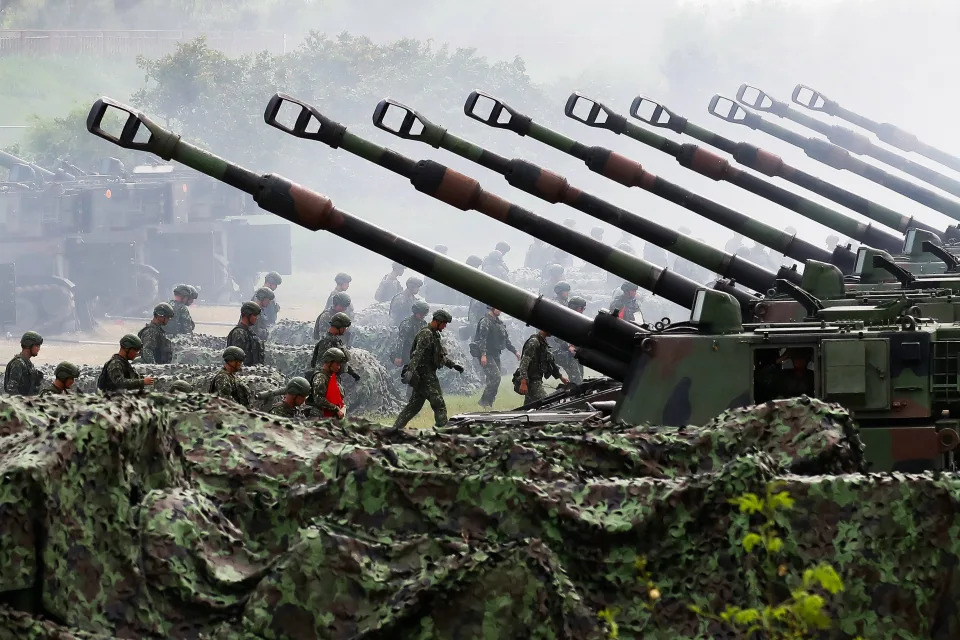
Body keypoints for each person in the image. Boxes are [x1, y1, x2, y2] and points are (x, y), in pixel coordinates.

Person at [392, 310, 464, 430]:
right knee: (438, 403)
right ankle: (443, 431)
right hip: (425, 375)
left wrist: (453, 365)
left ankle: (395, 429)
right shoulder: (426, 334)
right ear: (438, 321)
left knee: (414, 406)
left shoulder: (434, 334)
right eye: (444, 323)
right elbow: (417, 354)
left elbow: (438, 356)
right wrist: (410, 370)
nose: (445, 326)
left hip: (427, 374)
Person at [473, 306, 520, 408]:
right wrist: (483, 355)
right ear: (491, 308)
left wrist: (515, 351)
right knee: (495, 377)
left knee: (494, 380)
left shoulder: (499, 323)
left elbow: (506, 340)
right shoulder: (485, 321)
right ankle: (484, 402)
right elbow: (482, 339)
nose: (500, 310)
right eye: (498, 308)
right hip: (486, 354)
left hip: (495, 354)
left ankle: (489, 403)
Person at [515, 329, 567, 403]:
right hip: (532, 381)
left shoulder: (543, 343)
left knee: (529, 405)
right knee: (546, 402)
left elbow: (550, 363)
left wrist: (561, 377)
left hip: (537, 379)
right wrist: (523, 381)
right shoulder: (534, 342)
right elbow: (524, 362)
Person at [310, 311, 360, 381]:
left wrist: (352, 373)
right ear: (339, 326)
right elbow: (322, 365)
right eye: (344, 328)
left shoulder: (335, 341)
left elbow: (341, 360)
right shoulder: (326, 343)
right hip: (326, 380)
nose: (345, 330)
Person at [553, 297, 586, 385]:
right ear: (574, 307)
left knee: (580, 380)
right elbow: (557, 337)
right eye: (581, 308)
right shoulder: (564, 319)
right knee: (576, 381)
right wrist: (569, 346)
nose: (582, 310)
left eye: (583, 308)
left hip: (577, 354)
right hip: (567, 354)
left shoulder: (579, 319)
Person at [3, 330, 43, 395]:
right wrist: (23, 402)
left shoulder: (28, 364)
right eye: (37, 346)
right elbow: (11, 390)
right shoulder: (18, 364)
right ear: (28, 345)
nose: (38, 349)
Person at [311, 347, 348, 419]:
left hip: (332, 417)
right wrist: (336, 409)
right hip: (320, 417)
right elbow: (319, 399)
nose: (339, 367)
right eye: (337, 364)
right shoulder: (320, 377)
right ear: (329, 362)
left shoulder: (333, 377)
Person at [393, 300, 429, 368]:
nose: (423, 316)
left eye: (424, 314)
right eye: (421, 314)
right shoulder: (407, 324)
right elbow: (401, 341)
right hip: (407, 353)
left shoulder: (423, 323)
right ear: (415, 312)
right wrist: (398, 356)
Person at [226, 301, 264, 366]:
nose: (256, 318)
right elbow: (237, 359)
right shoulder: (239, 333)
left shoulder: (248, 332)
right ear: (247, 314)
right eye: (254, 315)